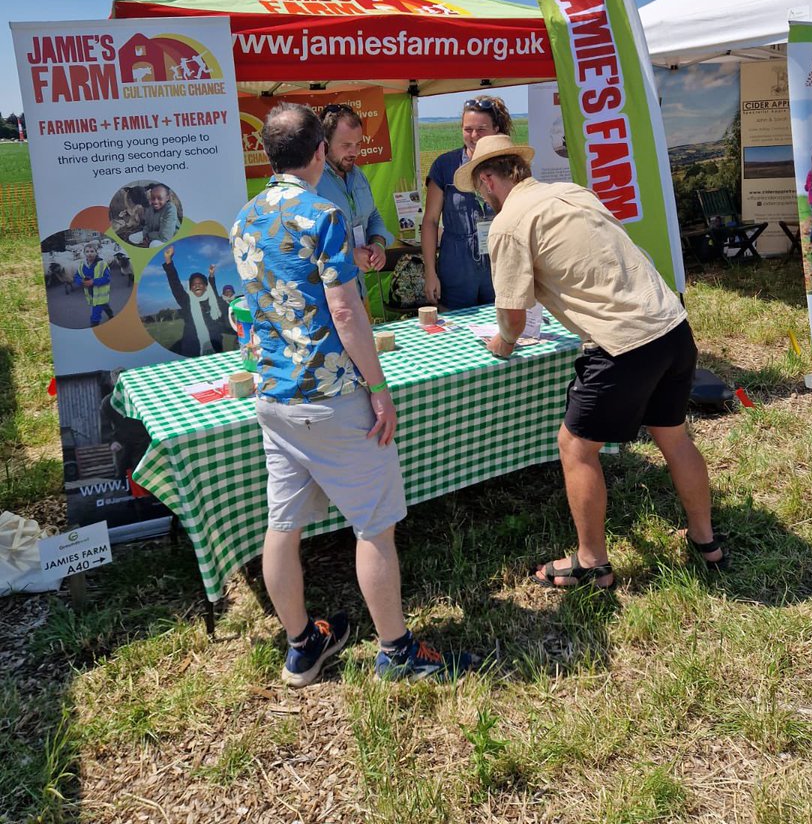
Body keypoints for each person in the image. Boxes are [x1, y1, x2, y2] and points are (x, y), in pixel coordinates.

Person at [230, 103, 475, 687]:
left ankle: (301, 646)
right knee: (374, 525)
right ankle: (396, 651)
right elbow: (345, 310)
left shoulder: (244, 217)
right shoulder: (324, 215)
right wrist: (379, 388)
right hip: (332, 394)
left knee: (282, 525)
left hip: (274, 393)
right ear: (319, 151)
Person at [454, 134, 725, 589]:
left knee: (576, 447)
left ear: (487, 180)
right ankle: (706, 541)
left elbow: (513, 319)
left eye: (481, 189)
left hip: (622, 343)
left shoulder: (508, 223)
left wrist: (502, 344)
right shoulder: (573, 192)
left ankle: (592, 563)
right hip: (671, 325)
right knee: (674, 437)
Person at [422, 95, 513, 309]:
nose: (473, 136)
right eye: (468, 129)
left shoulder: (509, 166)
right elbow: (430, 221)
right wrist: (430, 272)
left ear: (496, 129)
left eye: (481, 129)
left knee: (503, 322)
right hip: (456, 268)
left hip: (499, 264)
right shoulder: (444, 166)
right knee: (455, 325)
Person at [316, 104, 391, 299]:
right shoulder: (312, 182)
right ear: (325, 143)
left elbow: (373, 215)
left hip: (359, 293)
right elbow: (305, 243)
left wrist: (378, 244)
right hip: (329, 301)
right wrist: (348, 255)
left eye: (358, 144)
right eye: (346, 145)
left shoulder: (358, 176)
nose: (354, 152)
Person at [162, 248, 227, 355]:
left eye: (200, 283)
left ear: (206, 287)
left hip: (216, 348)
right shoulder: (186, 301)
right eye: (193, 284)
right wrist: (168, 261)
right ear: (190, 288)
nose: (197, 285)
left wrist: (211, 276)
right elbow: (175, 285)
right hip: (192, 351)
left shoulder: (211, 300)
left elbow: (213, 289)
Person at [74, 242, 114, 326]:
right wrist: (81, 281)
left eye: (92, 251)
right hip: (90, 292)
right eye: (87, 251)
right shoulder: (81, 265)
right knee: (104, 304)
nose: (89, 254)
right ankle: (110, 313)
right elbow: (77, 276)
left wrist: (93, 282)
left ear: (96, 252)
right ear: (84, 253)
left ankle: (94, 325)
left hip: (100, 293)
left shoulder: (102, 264)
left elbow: (107, 278)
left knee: (95, 314)